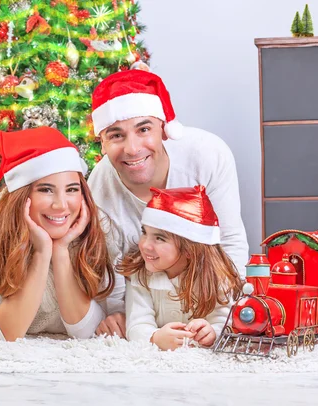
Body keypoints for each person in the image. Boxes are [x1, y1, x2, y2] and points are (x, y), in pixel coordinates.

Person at [88, 69, 249, 338]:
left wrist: (227, 317)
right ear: (101, 142)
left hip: (208, 295)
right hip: (146, 299)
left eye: (144, 129)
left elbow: (229, 239)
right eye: (116, 135)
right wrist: (128, 319)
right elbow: (109, 266)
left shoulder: (207, 155)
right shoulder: (100, 187)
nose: (132, 149)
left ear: (163, 128)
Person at [0, 127, 125, 341]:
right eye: (46, 189)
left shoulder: (97, 226)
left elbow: (87, 331)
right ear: (21, 195)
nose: (61, 205)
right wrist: (41, 252)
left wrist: (61, 251)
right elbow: (7, 333)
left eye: (72, 189)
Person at [119, 185, 242, 350]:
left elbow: (226, 321)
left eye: (159, 238)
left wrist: (211, 332)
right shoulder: (141, 275)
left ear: (190, 250)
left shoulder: (216, 278)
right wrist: (155, 338)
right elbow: (137, 324)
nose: (145, 245)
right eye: (144, 232)